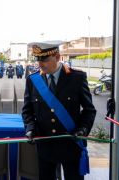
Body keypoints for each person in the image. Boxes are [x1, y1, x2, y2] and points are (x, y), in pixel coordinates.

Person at [22, 42, 96, 180]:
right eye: (38, 59)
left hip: (71, 145)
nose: (40, 64)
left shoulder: (77, 78)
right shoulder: (33, 80)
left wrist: (83, 129)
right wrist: (30, 128)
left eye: (44, 59)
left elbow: (89, 110)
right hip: (45, 146)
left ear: (57, 57)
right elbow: (27, 111)